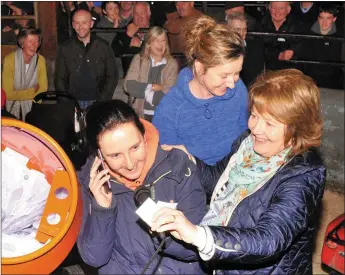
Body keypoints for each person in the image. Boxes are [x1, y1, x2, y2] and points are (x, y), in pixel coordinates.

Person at [151, 69, 326, 275]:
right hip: (226, 263)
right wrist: (190, 159)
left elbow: (269, 239)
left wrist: (198, 235)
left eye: (270, 123)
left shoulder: (305, 174)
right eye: (254, 115)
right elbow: (217, 179)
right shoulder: (247, 143)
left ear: (297, 127)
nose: (256, 129)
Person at [76, 100, 207, 274]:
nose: (130, 164)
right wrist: (102, 210)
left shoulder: (178, 167)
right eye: (115, 155)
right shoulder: (91, 183)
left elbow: (197, 248)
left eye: (135, 147)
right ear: (99, 155)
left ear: (144, 136)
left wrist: (167, 233)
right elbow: (94, 258)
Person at [152, 15, 248, 165]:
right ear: (199, 67)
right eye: (224, 75)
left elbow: (245, 137)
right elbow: (167, 168)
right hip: (195, 183)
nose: (231, 83)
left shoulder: (239, 89)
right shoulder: (170, 111)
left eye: (236, 73)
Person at [54, 9, 118, 109]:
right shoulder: (65, 48)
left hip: (98, 102)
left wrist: (102, 102)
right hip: (72, 102)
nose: (80, 27)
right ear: (73, 25)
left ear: (91, 24)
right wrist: (66, 103)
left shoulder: (103, 46)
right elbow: (60, 79)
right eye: (77, 23)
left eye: (84, 22)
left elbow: (112, 76)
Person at [124, 26, 178, 122]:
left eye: (163, 41)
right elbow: (129, 86)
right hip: (139, 115)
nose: (161, 44)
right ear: (149, 43)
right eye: (157, 41)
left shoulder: (171, 64)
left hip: (164, 116)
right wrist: (154, 87)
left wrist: (144, 91)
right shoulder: (139, 59)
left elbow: (170, 92)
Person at [2, 28, 48, 120]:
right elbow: (7, 94)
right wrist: (32, 91)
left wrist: (19, 93)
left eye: (36, 41)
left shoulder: (40, 60)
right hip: (13, 111)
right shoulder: (9, 60)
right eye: (30, 41)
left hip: (34, 111)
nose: (34, 45)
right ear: (22, 43)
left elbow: (43, 89)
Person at [301, 3, 343, 89]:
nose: (324, 22)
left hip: (334, 80)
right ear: (318, 18)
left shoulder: (341, 34)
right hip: (310, 79)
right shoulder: (306, 32)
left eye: (328, 18)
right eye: (321, 18)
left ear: (334, 19)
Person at [261, 1, 305, 70]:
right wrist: (279, 55)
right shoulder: (260, 24)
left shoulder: (298, 27)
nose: (277, 11)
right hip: (265, 69)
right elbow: (258, 49)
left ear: (288, 10)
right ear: (269, 8)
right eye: (274, 7)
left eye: (281, 8)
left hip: (290, 70)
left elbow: (297, 52)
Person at [111, 2, 151, 74]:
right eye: (136, 14)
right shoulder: (125, 31)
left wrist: (139, 47)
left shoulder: (156, 30)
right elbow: (114, 51)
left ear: (149, 14)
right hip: (130, 76)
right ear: (132, 15)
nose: (139, 17)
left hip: (151, 75)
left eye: (142, 13)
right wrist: (128, 36)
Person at [227, 12, 265, 87]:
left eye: (245, 29)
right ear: (228, 29)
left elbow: (257, 79)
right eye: (238, 29)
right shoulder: (221, 49)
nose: (242, 33)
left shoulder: (256, 48)